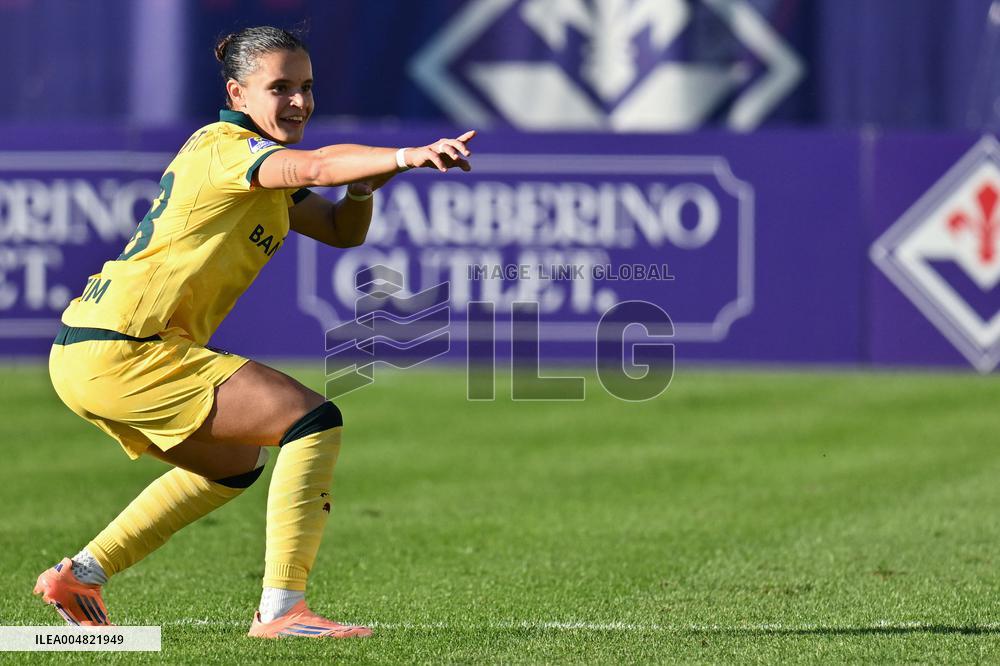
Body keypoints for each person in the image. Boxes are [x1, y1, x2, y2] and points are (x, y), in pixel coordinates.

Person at [32, 25, 474, 639]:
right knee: (310, 419)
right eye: (281, 88)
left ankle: (80, 573)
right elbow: (318, 165)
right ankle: (282, 611)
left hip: (95, 352)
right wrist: (403, 155)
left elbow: (343, 231)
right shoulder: (226, 147)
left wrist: (366, 187)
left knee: (234, 465)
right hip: (127, 347)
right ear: (238, 95)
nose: (298, 101)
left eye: (307, 87)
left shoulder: (259, 164)